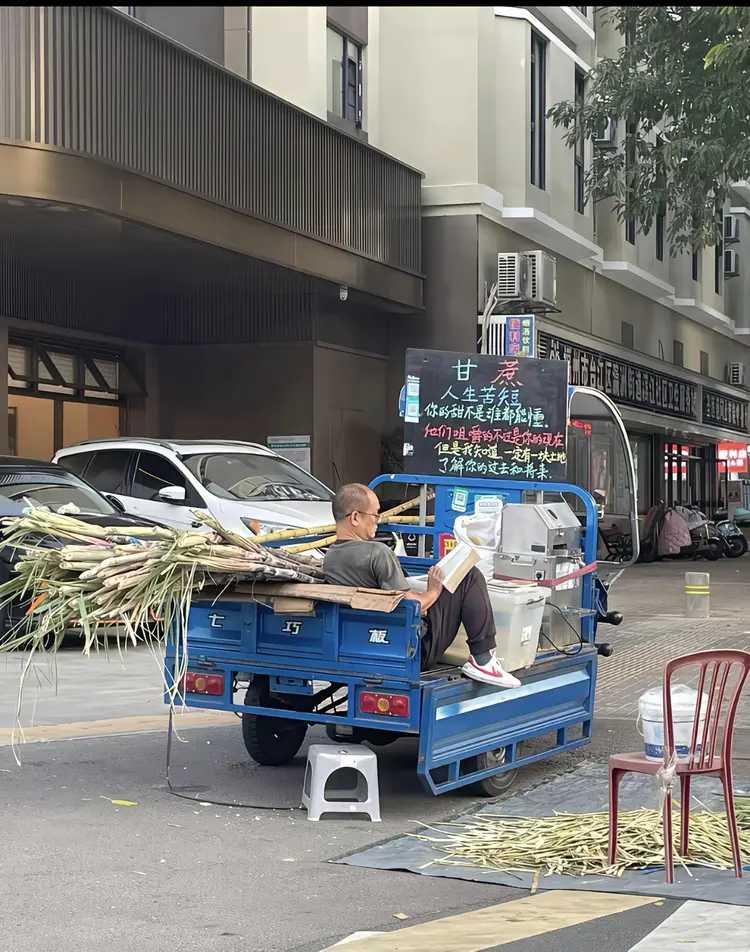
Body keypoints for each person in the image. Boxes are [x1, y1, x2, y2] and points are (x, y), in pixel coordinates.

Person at [323, 483, 521, 688]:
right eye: (375, 515)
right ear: (355, 517)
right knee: (469, 574)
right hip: (412, 647)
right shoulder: (377, 552)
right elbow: (413, 606)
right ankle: (483, 659)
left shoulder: (330, 558)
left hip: (362, 644)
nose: (377, 521)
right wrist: (434, 589)